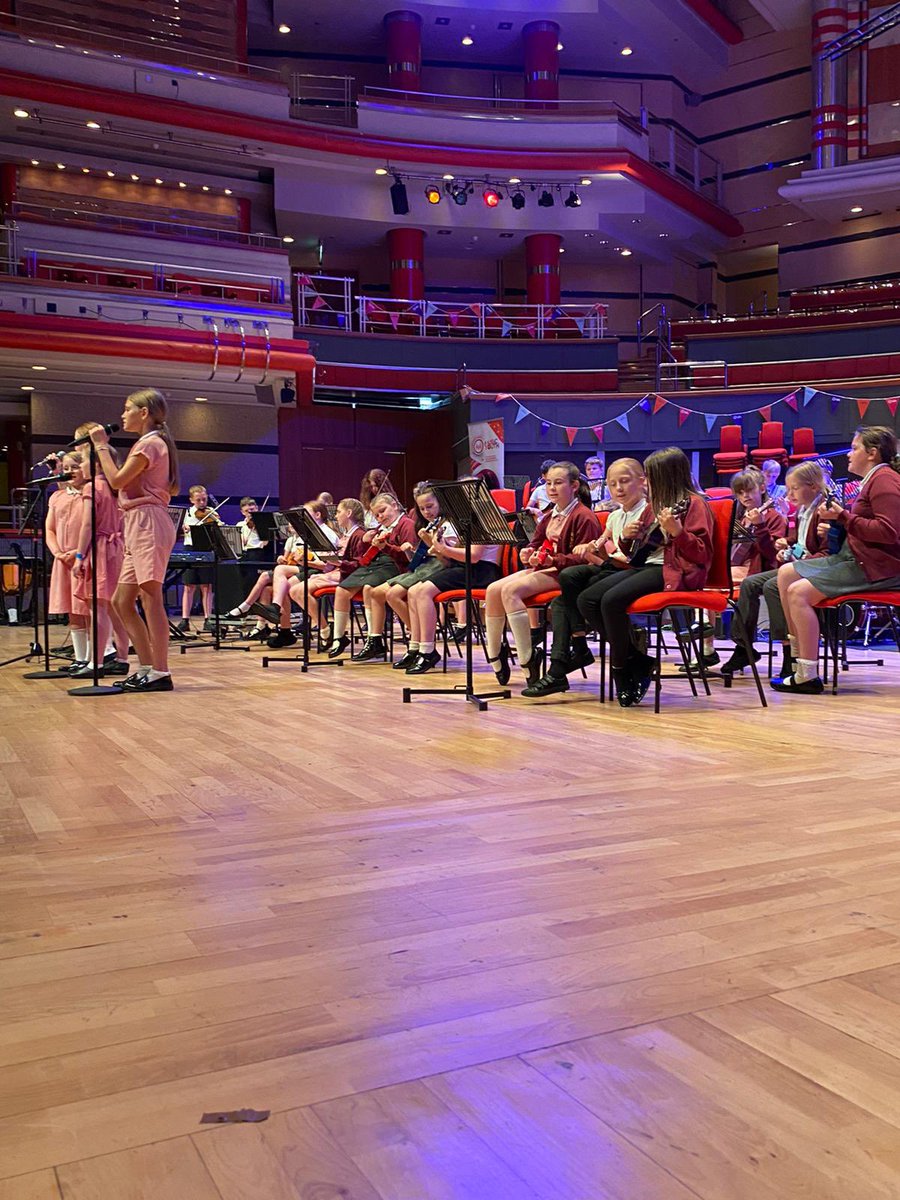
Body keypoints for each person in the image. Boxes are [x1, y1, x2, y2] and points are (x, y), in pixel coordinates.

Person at [570, 447, 713, 707]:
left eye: (651, 475)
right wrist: (627, 537)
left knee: (611, 601)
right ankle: (638, 659)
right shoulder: (654, 506)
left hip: (676, 572)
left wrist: (678, 532)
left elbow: (702, 555)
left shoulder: (695, 504)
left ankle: (623, 670)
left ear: (667, 475)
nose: (646, 481)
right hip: (648, 567)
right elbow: (634, 555)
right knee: (587, 599)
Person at [773, 425, 900, 695]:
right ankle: (797, 663)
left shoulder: (885, 480)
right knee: (786, 573)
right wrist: (836, 525)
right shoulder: (874, 480)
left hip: (876, 567)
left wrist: (842, 517)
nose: (849, 455)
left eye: (855, 448)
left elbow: (889, 533)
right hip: (854, 558)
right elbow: (863, 526)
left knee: (798, 593)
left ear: (872, 453)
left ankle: (807, 675)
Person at [523, 457, 648, 698]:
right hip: (612, 568)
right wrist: (592, 548)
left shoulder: (646, 512)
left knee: (570, 585)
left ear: (642, 482)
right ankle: (568, 657)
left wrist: (590, 552)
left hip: (626, 571)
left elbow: (633, 557)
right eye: (613, 484)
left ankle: (577, 655)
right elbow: (601, 548)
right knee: (563, 597)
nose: (618, 489)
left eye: (624, 482)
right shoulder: (614, 516)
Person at [89, 387, 180, 692]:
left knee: (150, 597)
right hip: (136, 521)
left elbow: (116, 481)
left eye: (127, 408)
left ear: (144, 413)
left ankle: (161, 671)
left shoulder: (151, 444)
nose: (122, 414)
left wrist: (102, 446)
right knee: (121, 600)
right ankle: (147, 666)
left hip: (148, 522)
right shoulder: (148, 443)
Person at [484, 462, 600, 688]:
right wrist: (528, 553)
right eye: (548, 483)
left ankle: (528, 658)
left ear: (574, 485)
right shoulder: (549, 514)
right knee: (492, 590)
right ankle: (496, 654)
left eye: (558, 483)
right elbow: (535, 544)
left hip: (569, 574)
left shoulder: (584, 516)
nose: (552, 488)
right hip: (550, 568)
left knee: (510, 590)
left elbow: (586, 559)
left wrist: (551, 560)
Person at [721, 460, 828, 680]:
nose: (745, 497)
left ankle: (790, 653)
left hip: (793, 568)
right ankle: (743, 648)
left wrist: (761, 527)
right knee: (750, 583)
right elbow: (797, 541)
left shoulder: (780, 516)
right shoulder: (802, 512)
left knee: (770, 585)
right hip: (788, 565)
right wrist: (786, 544)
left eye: (794, 489)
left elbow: (771, 555)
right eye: (739, 493)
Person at [371, 483, 457, 672]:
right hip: (424, 566)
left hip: (439, 567)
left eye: (430, 506)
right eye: (422, 508)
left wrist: (428, 543)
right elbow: (417, 557)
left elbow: (447, 558)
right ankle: (415, 645)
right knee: (393, 593)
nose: (426, 512)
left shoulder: (447, 523)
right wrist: (414, 550)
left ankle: (423, 646)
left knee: (398, 593)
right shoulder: (427, 523)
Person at [69, 430, 129, 677]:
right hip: (117, 549)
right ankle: (122, 657)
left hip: (101, 549)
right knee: (115, 607)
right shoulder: (117, 489)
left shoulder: (92, 488)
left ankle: (97, 662)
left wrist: (80, 556)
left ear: (95, 464)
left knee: (98, 608)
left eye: (82, 461)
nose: (79, 466)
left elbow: (87, 525)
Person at [328, 492, 416, 659]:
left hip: (394, 566)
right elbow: (364, 555)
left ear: (395, 506)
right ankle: (338, 639)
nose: (380, 517)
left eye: (382, 511)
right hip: (375, 564)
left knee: (370, 589)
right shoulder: (379, 529)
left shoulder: (406, 525)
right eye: (376, 515)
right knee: (341, 590)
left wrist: (385, 546)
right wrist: (366, 541)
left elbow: (407, 558)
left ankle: (374, 639)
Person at [257, 501, 340, 648]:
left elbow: (328, 565)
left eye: (305, 514)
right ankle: (285, 629)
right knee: (280, 580)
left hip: (319, 571)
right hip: (307, 568)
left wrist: (304, 561)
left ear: (317, 515)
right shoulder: (308, 533)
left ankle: (286, 626)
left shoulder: (326, 533)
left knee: (282, 577)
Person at [288, 498, 367, 650]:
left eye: (338, 512)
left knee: (298, 590)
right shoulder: (346, 534)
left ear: (349, 513)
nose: (335, 516)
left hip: (348, 576)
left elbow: (358, 563)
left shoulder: (359, 534)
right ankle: (325, 629)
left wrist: (335, 561)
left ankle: (328, 632)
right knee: (295, 590)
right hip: (337, 571)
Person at [46, 451, 89, 671]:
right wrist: (58, 553)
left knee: (87, 609)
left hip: (84, 558)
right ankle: (79, 658)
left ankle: (94, 659)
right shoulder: (57, 497)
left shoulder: (90, 495)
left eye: (75, 467)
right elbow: (50, 529)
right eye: (66, 468)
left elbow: (92, 527)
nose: (70, 472)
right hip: (63, 560)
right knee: (72, 610)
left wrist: (77, 552)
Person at [177, 484, 221, 631]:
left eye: (204, 499)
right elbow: (178, 530)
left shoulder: (211, 512)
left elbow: (220, 528)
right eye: (198, 500)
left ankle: (208, 618)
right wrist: (183, 529)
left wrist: (217, 522)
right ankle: (185, 620)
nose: (202, 503)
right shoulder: (186, 514)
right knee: (188, 586)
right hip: (190, 549)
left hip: (205, 548)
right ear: (191, 500)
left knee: (206, 586)